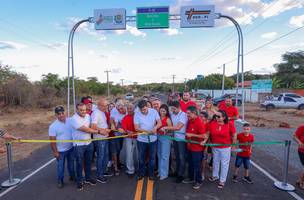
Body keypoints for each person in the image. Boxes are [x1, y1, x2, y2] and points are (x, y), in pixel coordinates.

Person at [70, 103, 99, 190]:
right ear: (76, 110)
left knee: (88, 162)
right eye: (81, 110)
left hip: (89, 143)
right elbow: (85, 129)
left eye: (84, 110)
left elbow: (91, 126)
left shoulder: (88, 116)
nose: (83, 112)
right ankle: (80, 181)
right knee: (79, 163)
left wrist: (101, 129)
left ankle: (88, 178)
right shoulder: (73, 119)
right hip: (78, 145)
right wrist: (99, 132)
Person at [208, 110, 236, 189]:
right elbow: (209, 133)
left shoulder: (229, 124)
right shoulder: (212, 123)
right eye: (216, 116)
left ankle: (222, 180)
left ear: (224, 117)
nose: (217, 118)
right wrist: (210, 142)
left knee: (224, 164)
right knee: (215, 161)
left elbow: (234, 135)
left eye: (219, 116)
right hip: (215, 147)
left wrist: (233, 146)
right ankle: (215, 176)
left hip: (225, 148)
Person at [48, 106, 75, 188]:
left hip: (71, 148)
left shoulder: (70, 121)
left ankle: (72, 177)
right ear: (56, 115)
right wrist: (55, 152)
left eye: (62, 113)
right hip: (60, 151)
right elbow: (52, 141)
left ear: (65, 112)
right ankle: (60, 181)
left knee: (71, 165)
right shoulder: (53, 126)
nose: (61, 115)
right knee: (60, 167)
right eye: (59, 114)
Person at [134, 100, 162, 180]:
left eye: (145, 109)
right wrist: (146, 132)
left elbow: (159, 123)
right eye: (141, 110)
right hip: (141, 140)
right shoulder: (137, 114)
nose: (143, 111)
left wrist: (155, 128)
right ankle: (141, 173)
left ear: (147, 106)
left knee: (152, 158)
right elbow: (136, 128)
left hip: (153, 139)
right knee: (141, 158)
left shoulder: (154, 112)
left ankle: (151, 174)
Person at [182, 106, 208, 190]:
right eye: (187, 113)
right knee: (190, 164)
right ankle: (191, 178)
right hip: (189, 146)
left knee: (197, 165)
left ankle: (198, 181)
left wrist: (192, 135)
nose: (187, 115)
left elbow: (204, 136)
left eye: (189, 113)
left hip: (197, 149)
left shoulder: (199, 122)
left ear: (194, 113)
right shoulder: (190, 120)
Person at [162, 100, 188, 183]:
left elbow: (178, 127)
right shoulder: (173, 114)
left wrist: (166, 128)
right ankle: (176, 172)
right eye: (172, 109)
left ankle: (181, 175)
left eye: (174, 109)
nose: (172, 111)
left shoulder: (183, 115)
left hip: (182, 139)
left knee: (181, 157)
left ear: (179, 108)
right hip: (174, 138)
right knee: (176, 157)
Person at [91, 97, 111, 183]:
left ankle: (103, 171)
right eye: (104, 105)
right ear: (99, 105)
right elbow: (93, 126)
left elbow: (103, 124)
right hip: (99, 139)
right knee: (101, 156)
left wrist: (107, 129)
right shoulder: (96, 113)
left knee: (105, 155)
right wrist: (102, 130)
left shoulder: (102, 112)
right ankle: (100, 175)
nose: (106, 107)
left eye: (106, 105)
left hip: (105, 137)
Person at [119, 103, 137, 176]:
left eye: (131, 108)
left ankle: (140, 169)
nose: (129, 110)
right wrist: (127, 131)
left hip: (139, 138)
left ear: (134, 109)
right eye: (128, 108)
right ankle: (130, 170)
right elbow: (123, 126)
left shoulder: (138, 116)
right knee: (129, 154)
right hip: (129, 138)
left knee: (139, 154)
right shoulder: (125, 117)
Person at [110, 102, 126, 176]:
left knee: (119, 149)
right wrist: (113, 125)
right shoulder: (114, 111)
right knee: (114, 151)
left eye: (121, 109)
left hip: (122, 134)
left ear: (124, 107)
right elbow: (111, 119)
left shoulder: (128, 111)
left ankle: (118, 163)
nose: (120, 110)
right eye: (118, 109)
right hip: (115, 135)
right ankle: (115, 167)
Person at [157, 104, 172, 180]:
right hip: (157, 137)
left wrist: (166, 129)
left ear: (166, 112)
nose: (162, 112)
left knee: (164, 156)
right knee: (159, 155)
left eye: (164, 111)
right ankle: (160, 172)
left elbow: (171, 129)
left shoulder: (167, 119)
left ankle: (164, 174)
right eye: (161, 110)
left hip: (165, 138)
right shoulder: (157, 118)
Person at [199, 111, 209, 181]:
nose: (200, 117)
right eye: (199, 116)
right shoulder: (198, 123)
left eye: (201, 116)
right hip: (197, 143)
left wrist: (205, 146)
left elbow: (207, 136)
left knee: (203, 160)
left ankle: (202, 173)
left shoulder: (208, 125)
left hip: (204, 144)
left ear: (205, 118)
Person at [293, 124, 304, 189]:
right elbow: (294, 136)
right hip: (302, 151)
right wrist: (299, 142)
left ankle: (300, 180)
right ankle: (301, 182)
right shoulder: (302, 127)